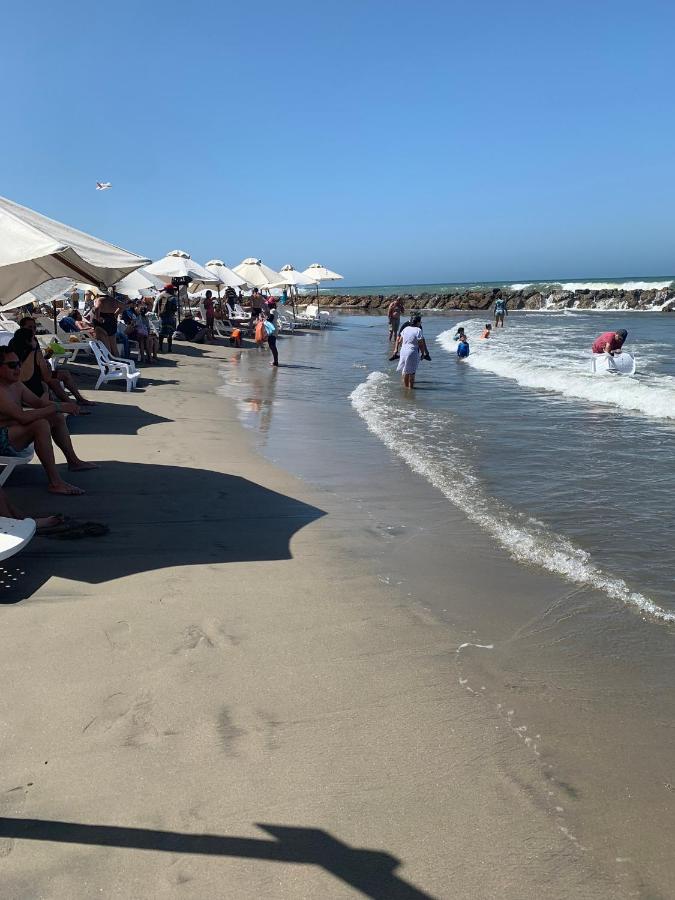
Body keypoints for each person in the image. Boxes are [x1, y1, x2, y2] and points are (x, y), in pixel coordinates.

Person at [0, 346, 97, 495]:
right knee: (40, 424)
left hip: (11, 433)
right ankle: (55, 482)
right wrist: (56, 407)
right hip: (3, 439)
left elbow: (38, 404)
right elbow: (22, 416)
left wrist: (64, 406)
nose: (18, 368)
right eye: (12, 365)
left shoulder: (16, 385)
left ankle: (73, 461)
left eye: (19, 363)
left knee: (56, 417)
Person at [16, 320, 94, 406]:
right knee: (54, 382)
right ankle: (70, 404)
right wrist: (45, 365)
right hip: (30, 377)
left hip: (38, 373)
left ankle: (79, 399)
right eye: (29, 327)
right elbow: (43, 375)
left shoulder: (33, 339)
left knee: (65, 374)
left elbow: (38, 360)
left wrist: (47, 357)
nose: (33, 329)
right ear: (21, 328)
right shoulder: (18, 343)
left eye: (34, 327)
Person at [396, 315, 429, 389]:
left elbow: (399, 340)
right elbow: (421, 343)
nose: (421, 323)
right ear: (417, 322)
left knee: (406, 371)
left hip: (403, 351)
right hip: (412, 351)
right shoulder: (418, 330)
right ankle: (410, 390)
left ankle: (406, 389)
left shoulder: (406, 328)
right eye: (420, 322)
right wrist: (423, 353)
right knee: (412, 372)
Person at [155, 285, 178, 353]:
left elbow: (156, 308)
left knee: (161, 334)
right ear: (170, 290)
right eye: (173, 290)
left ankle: (160, 348)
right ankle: (169, 349)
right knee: (170, 334)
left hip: (162, 318)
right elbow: (174, 309)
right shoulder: (172, 298)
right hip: (170, 318)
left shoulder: (160, 297)